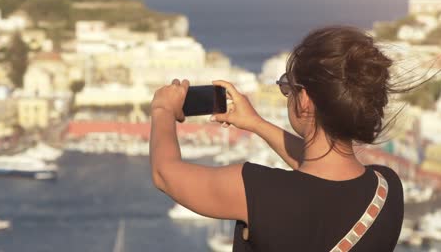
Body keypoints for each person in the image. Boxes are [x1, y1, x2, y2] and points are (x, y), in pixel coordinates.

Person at [149, 26, 404, 251]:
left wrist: (162, 109)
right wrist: (257, 124)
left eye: (287, 86)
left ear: (304, 99)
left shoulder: (256, 192)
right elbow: (323, 175)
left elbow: (165, 174)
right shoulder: (387, 189)